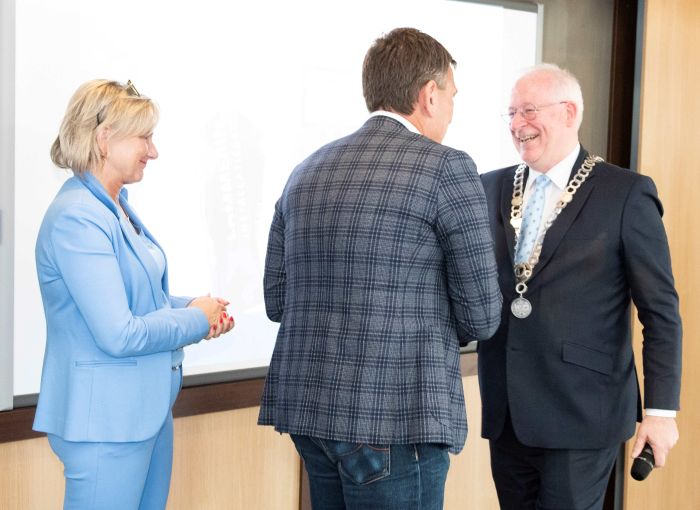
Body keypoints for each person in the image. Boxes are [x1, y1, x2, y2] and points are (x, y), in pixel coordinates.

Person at [258, 27, 502, 509]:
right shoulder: (446, 168)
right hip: (395, 417)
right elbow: (481, 316)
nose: (452, 109)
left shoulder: (307, 169)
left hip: (310, 415)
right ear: (428, 95)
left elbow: (277, 299)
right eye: (452, 96)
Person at [478, 63, 682, 509]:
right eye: (511, 113)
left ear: (569, 112)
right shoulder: (487, 187)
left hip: (584, 413)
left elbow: (660, 312)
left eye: (529, 111)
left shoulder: (625, 193)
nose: (517, 124)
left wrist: (660, 413)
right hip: (507, 412)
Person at [34, 79, 235, 510]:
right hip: (106, 425)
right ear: (104, 139)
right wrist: (196, 319)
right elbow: (119, 332)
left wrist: (196, 307)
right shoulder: (77, 218)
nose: (153, 151)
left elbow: (141, 299)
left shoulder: (114, 206)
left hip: (143, 415)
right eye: (144, 137)